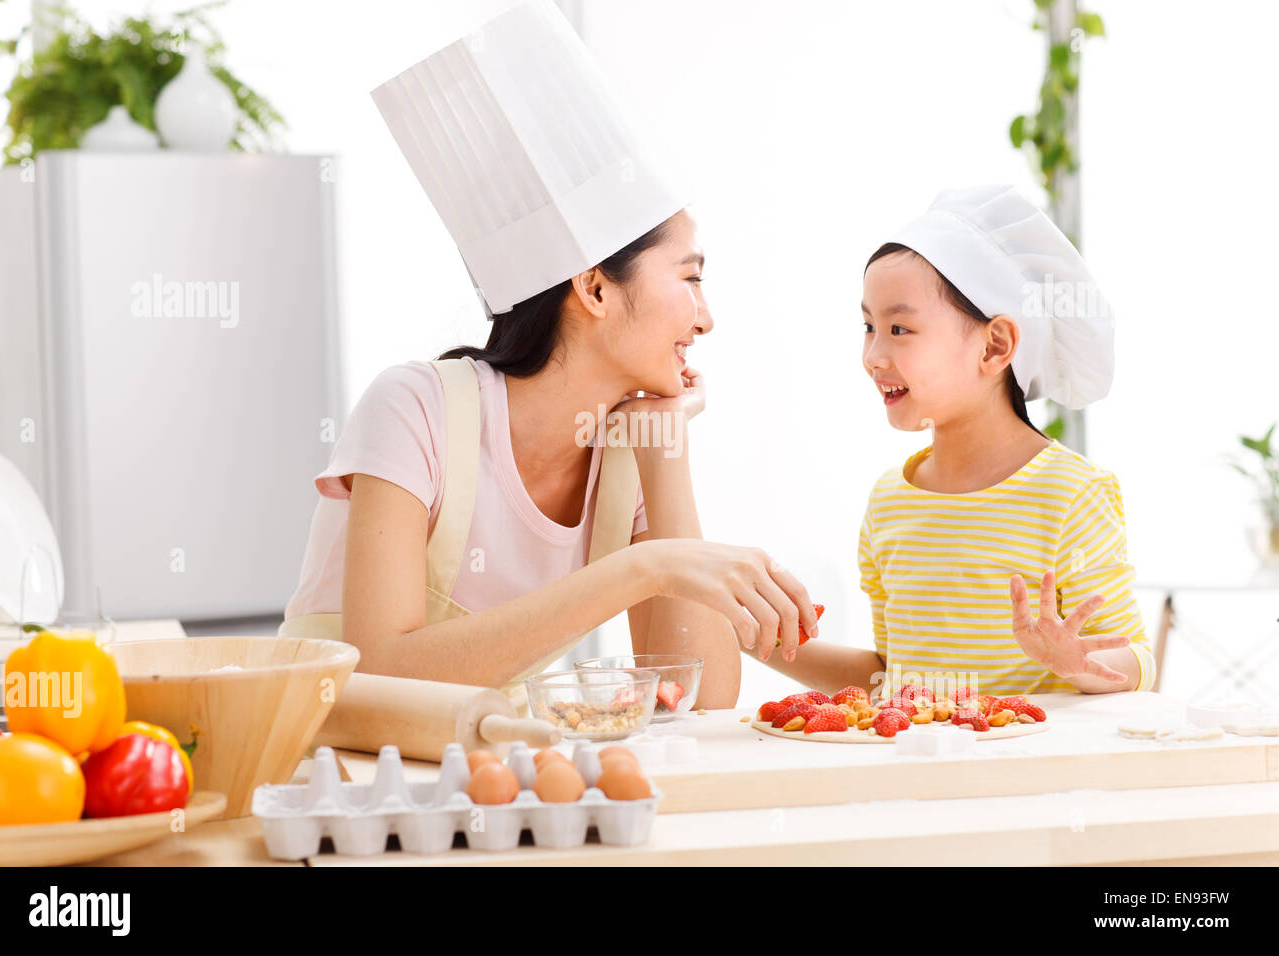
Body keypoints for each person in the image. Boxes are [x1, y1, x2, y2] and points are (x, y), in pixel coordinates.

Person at [279, 0, 818, 715]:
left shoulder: (627, 449)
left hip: (485, 784)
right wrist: (646, 566)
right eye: (690, 277)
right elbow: (382, 673)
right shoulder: (415, 409)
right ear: (594, 287)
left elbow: (707, 698)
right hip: (331, 775)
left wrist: (666, 451)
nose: (707, 317)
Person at [759, 184, 1156, 698]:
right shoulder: (888, 502)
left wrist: (1074, 662)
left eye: (899, 328)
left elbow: (1138, 662)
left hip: (1029, 776)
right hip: (918, 775)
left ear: (994, 346)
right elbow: (887, 677)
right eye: (868, 326)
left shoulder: (1071, 495)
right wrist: (760, 640)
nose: (873, 356)